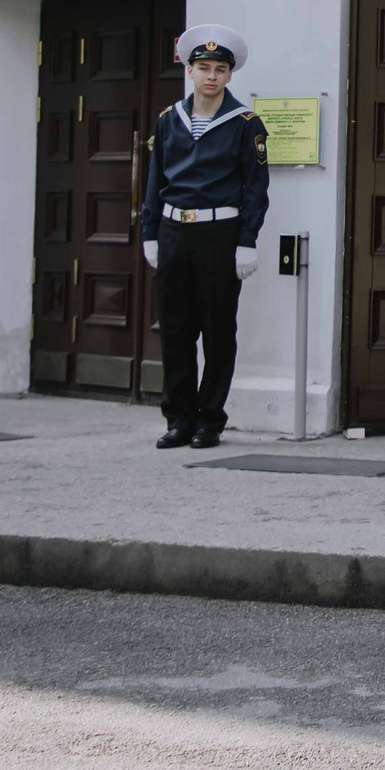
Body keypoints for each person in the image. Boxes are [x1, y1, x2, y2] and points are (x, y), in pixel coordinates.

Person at [140, 25, 271, 451]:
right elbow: (153, 180)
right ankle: (178, 419)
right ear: (190, 71)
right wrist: (150, 233)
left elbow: (256, 187)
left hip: (220, 233)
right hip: (175, 230)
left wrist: (247, 240)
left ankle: (209, 421)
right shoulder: (168, 121)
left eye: (219, 69)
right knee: (176, 331)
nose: (211, 76)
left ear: (229, 76)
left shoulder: (245, 123)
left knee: (217, 331)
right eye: (203, 68)